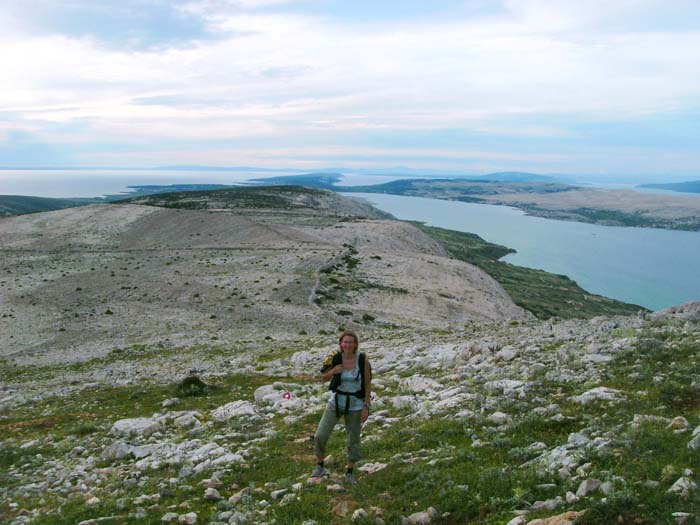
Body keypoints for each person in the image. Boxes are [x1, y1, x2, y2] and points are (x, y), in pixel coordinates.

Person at [312, 330, 371, 484]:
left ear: (355, 344)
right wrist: (333, 371)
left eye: (350, 342)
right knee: (320, 434)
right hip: (336, 401)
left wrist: (366, 406)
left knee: (353, 438)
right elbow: (322, 377)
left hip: (355, 404)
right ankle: (319, 465)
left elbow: (367, 383)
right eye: (345, 342)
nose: (347, 345)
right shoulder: (335, 357)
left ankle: (350, 471)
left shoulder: (362, 360)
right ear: (340, 343)